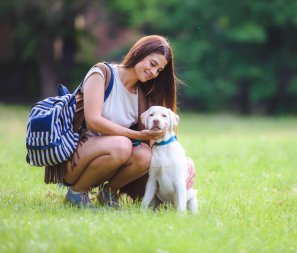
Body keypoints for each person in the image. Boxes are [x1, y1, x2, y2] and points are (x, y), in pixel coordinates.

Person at [46, 35, 195, 207]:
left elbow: (157, 143)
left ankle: (109, 194)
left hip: (109, 159)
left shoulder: (142, 94)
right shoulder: (102, 73)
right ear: (139, 52)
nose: (154, 73)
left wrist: (183, 161)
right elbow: (93, 121)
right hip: (74, 158)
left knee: (145, 154)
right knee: (123, 145)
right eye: (153, 64)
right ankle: (76, 194)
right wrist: (136, 134)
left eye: (159, 70)